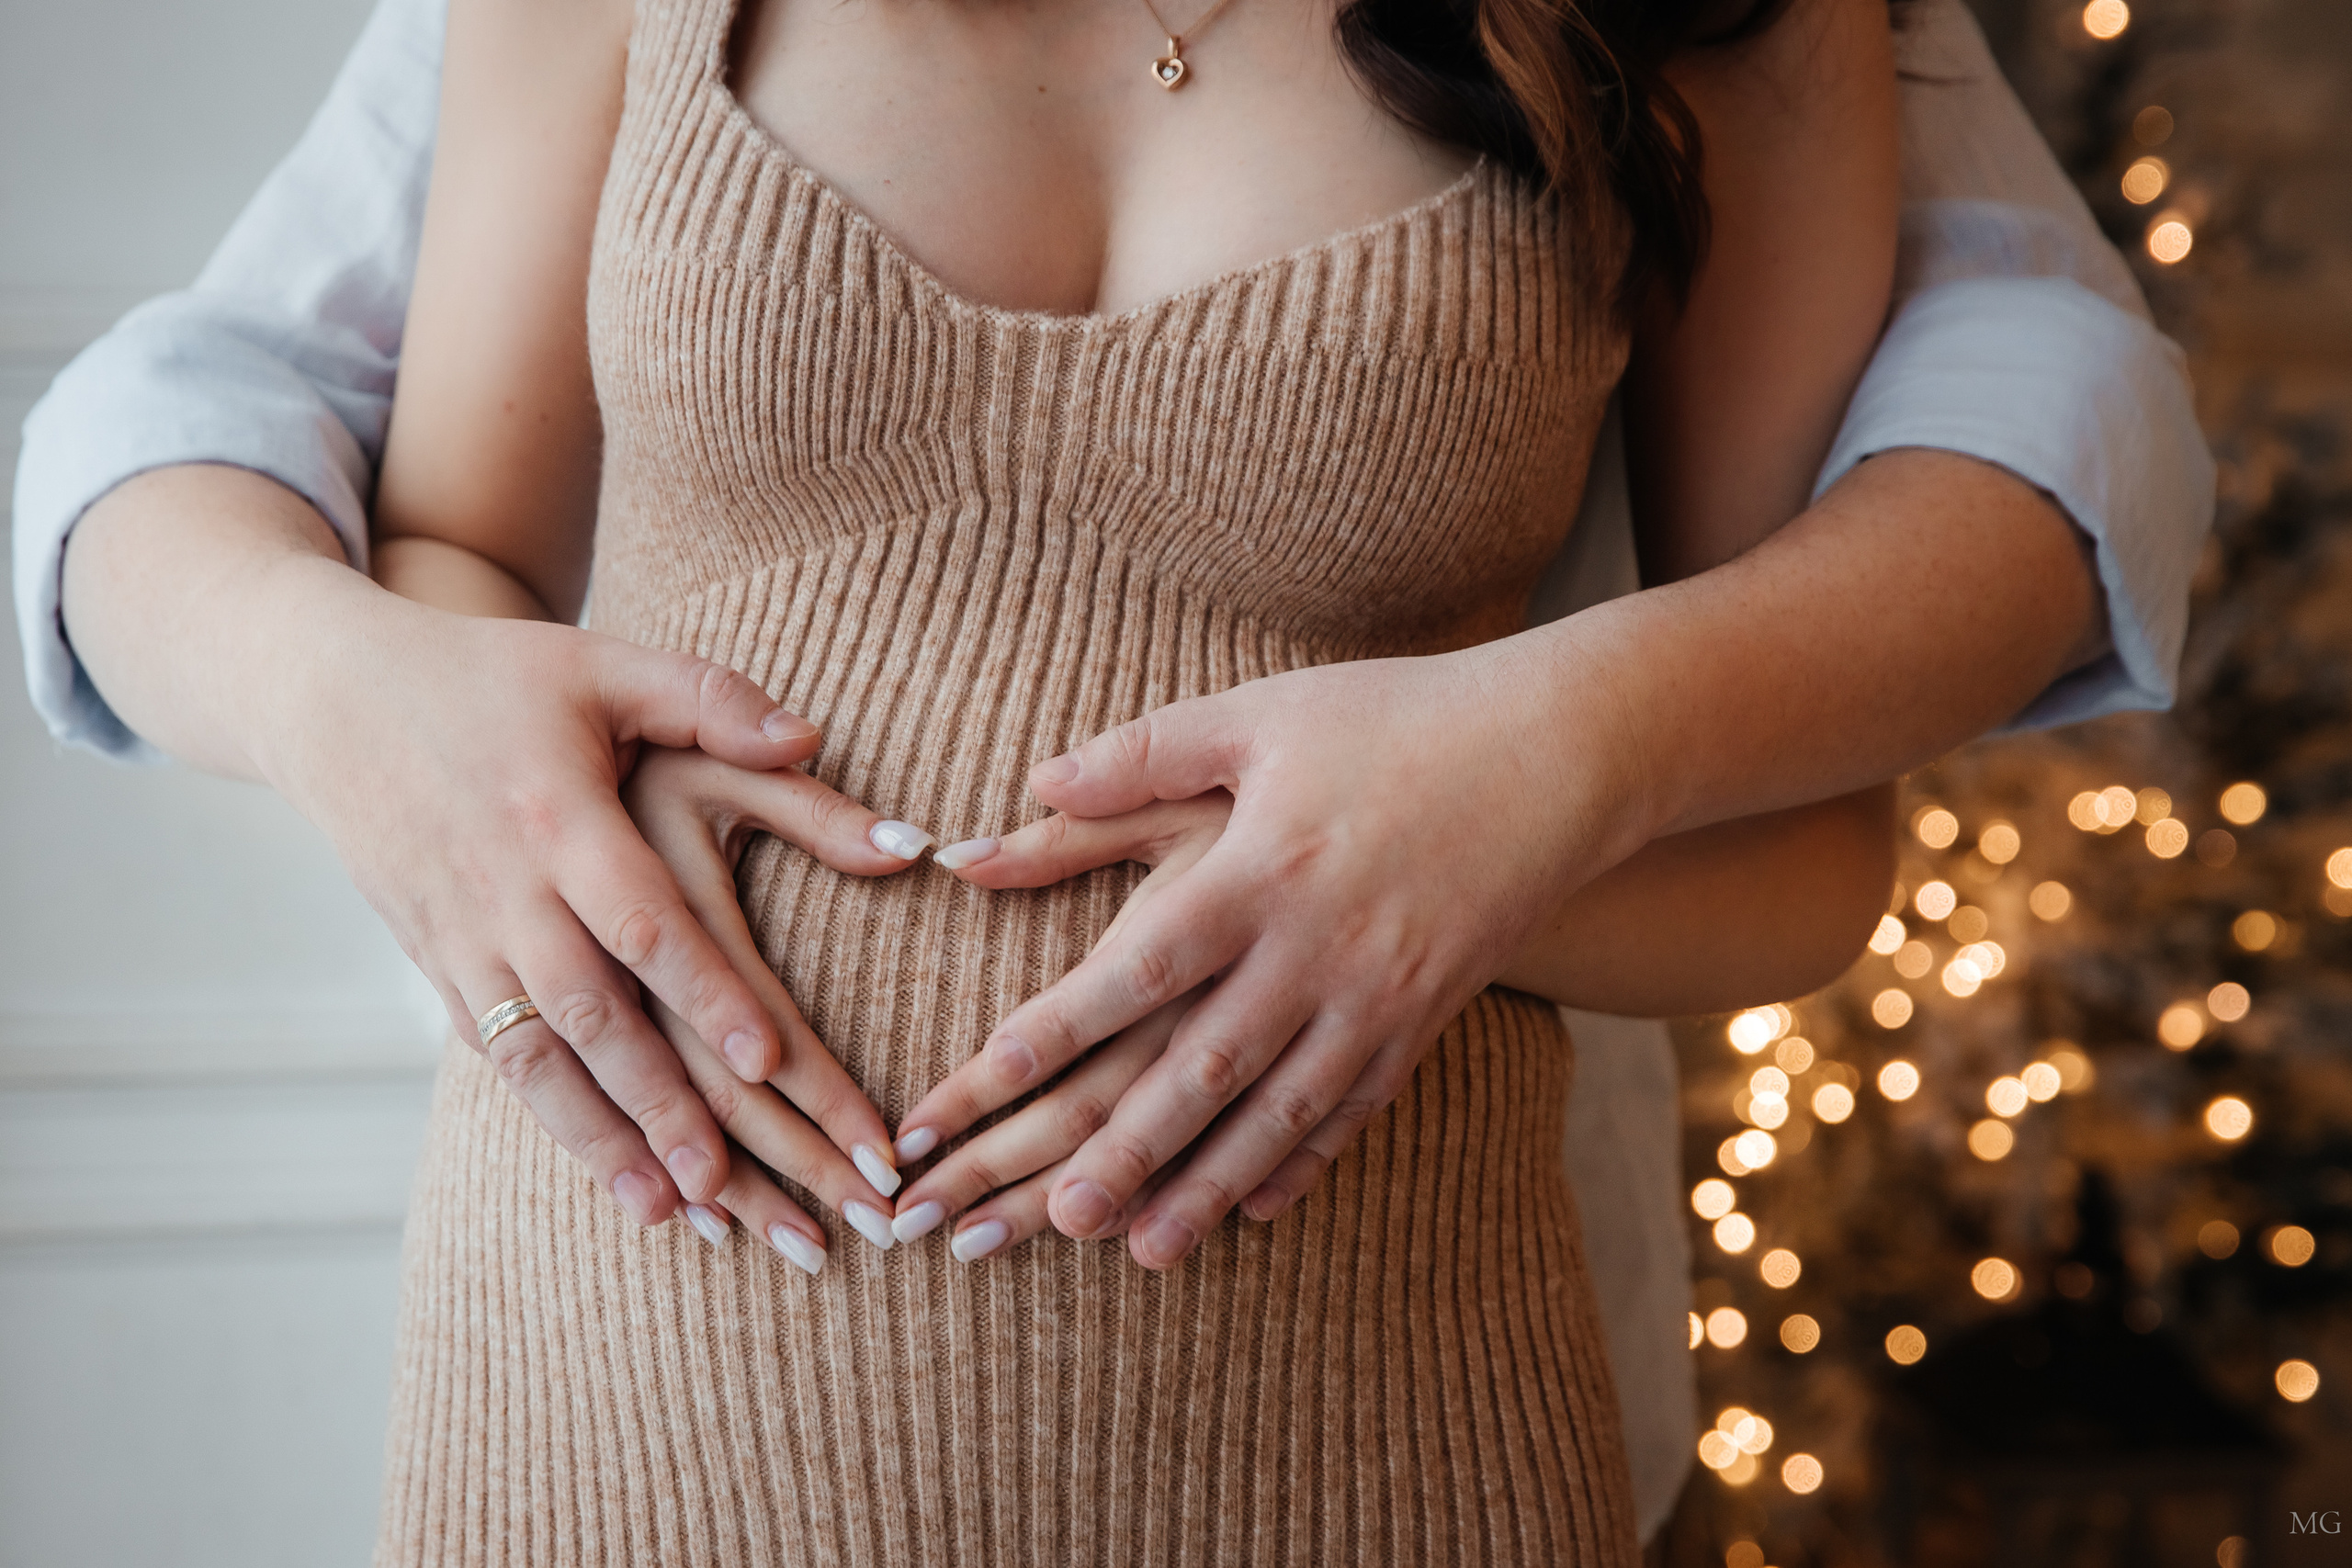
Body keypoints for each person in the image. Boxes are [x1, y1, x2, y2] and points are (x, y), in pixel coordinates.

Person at [8, 0, 2211, 1554]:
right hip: (605, 1392)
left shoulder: (1714, 23)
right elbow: (444, 535)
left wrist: (1468, 841)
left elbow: (1803, 845)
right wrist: (478, 748)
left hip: (1372, 1438)